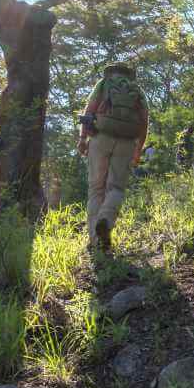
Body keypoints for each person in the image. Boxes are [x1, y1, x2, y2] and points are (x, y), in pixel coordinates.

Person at [77, 62, 148, 251]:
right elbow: (144, 123)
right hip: (126, 142)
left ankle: (95, 240)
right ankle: (106, 220)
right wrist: (138, 150)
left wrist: (83, 138)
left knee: (96, 189)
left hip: (100, 138)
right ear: (129, 75)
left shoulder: (103, 84)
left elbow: (88, 111)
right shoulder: (137, 91)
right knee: (116, 188)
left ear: (111, 73)